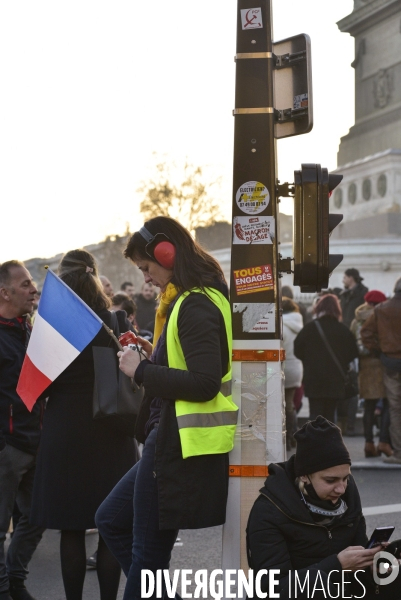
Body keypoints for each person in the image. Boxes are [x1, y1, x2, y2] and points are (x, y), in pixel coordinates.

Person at [95, 216, 236, 600]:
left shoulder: (194, 304)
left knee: (147, 557)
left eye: (146, 268)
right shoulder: (195, 300)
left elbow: (205, 383)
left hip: (176, 443)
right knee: (111, 521)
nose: (147, 279)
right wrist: (150, 358)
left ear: (167, 253)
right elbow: (190, 367)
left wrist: (141, 371)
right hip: (169, 437)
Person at [30, 250, 138, 600]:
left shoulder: (52, 330)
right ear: (95, 276)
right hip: (112, 433)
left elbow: (39, 387)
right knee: (110, 528)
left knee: (71, 531)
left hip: (65, 435)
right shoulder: (116, 321)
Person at [246, 416, 401, 599]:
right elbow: (271, 589)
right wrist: (336, 566)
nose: (341, 488)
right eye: (330, 480)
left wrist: (372, 563)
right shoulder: (270, 509)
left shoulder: (348, 496)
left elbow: (358, 557)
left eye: (345, 478)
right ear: (304, 476)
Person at [0, 261, 45, 600]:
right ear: (5, 292)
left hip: (38, 441)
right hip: (9, 448)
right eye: (26, 283)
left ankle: (14, 579)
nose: (34, 289)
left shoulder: (31, 328)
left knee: (37, 516)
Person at [294, 294, 358, 424]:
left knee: (315, 413)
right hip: (335, 379)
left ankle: (314, 442)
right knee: (330, 414)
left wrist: (310, 361)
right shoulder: (343, 330)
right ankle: (329, 442)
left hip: (314, 378)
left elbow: (297, 350)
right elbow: (353, 352)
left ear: (318, 308)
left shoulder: (310, 328)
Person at [361, 277, 401, 464]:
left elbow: (366, 333)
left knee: (394, 407)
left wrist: (378, 350)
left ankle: (399, 453)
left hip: (391, 362)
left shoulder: (381, 309)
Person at [350, 290, 392, 458]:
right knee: (388, 402)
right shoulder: (382, 317)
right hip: (383, 363)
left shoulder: (356, 319)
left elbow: (353, 342)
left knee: (369, 405)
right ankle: (383, 441)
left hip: (365, 366)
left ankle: (368, 444)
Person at [282, 297, 303, 450]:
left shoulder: (281, 325)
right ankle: (293, 435)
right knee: (289, 403)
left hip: (284, 366)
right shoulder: (298, 324)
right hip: (296, 367)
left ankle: (288, 436)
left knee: (283, 404)